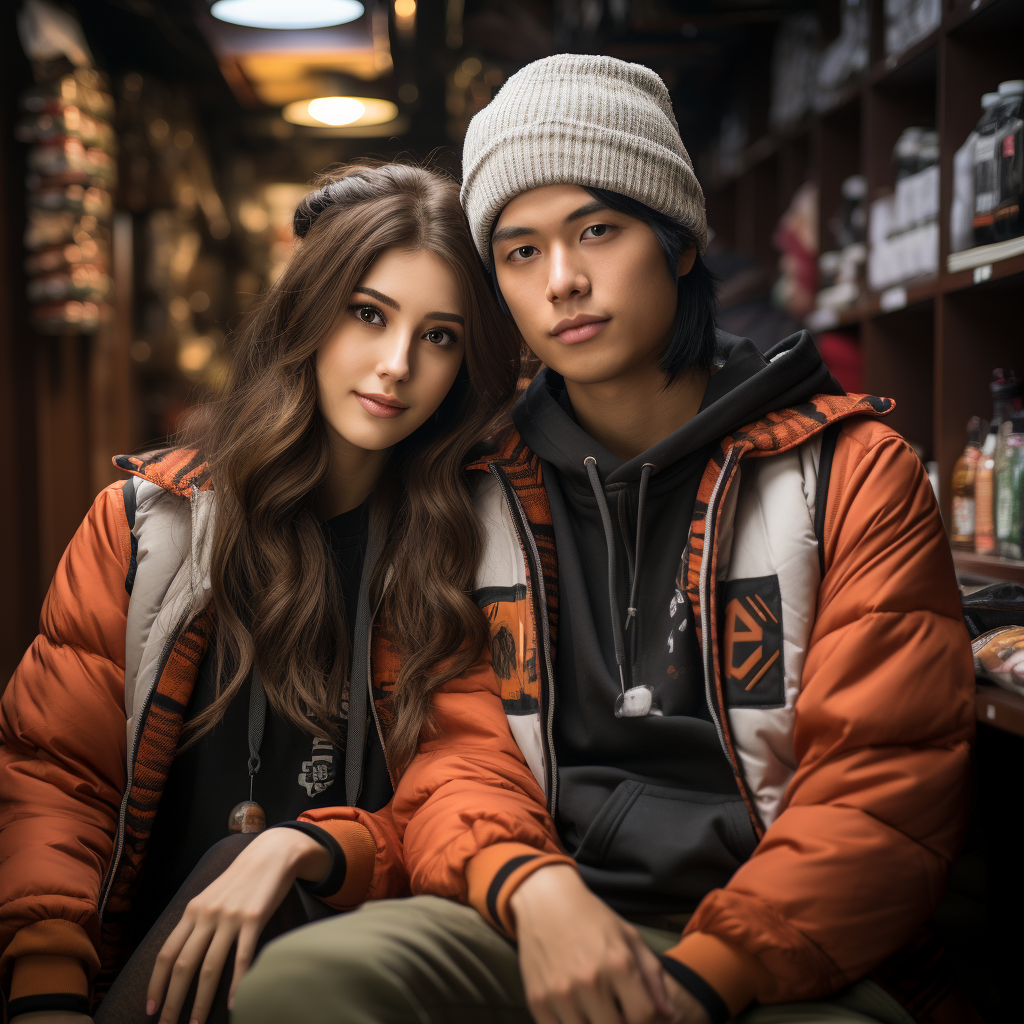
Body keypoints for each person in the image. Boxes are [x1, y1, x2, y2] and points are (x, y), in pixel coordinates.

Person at [233, 57, 976, 1024]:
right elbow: (459, 756)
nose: (564, 282)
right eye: (520, 252)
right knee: (307, 982)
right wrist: (530, 890)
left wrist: (706, 973)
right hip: (534, 914)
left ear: (674, 243)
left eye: (597, 230)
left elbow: (881, 792)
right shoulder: (476, 485)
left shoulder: (849, 472)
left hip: (780, 954)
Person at [0, 161, 521, 1024]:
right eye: (368, 315)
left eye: (439, 337)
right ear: (308, 316)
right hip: (136, 973)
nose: (396, 366)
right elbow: (57, 774)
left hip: (342, 971)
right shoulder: (147, 528)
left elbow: (460, 795)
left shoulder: (466, 547)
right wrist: (45, 988)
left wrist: (308, 845)